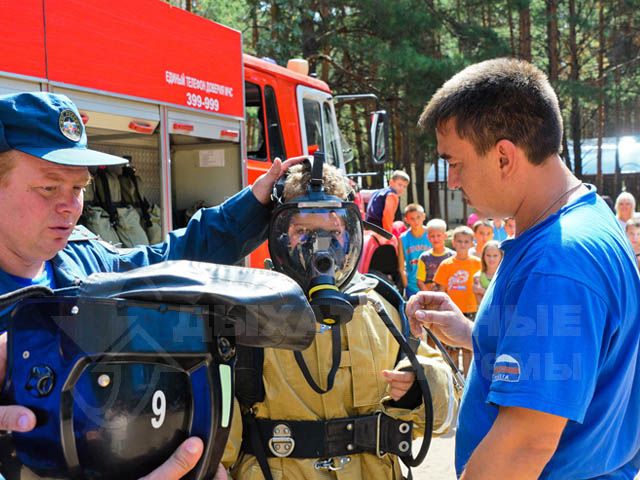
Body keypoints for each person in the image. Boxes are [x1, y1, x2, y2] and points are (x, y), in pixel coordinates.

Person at [0, 92, 300, 479]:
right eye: (49, 187)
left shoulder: (87, 262)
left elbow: (169, 264)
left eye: (77, 189)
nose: (70, 206)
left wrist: (255, 203)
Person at [408, 58, 640, 479]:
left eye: (455, 162)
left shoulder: (558, 261)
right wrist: (474, 333)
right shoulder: (582, 220)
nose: (453, 181)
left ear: (503, 157)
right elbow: (576, 362)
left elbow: (523, 446)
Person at [223, 161, 459, 479]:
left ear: (350, 235)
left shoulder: (381, 306)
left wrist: (419, 388)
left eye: (333, 232)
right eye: (303, 232)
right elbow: (220, 433)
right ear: (280, 234)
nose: (320, 245)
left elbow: (442, 419)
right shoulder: (248, 313)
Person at [432, 226, 481, 376]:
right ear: (453, 243)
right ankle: (453, 378)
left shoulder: (478, 263)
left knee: (468, 348)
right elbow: (440, 290)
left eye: (466, 241)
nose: (462, 245)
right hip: (452, 309)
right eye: (459, 241)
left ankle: (466, 378)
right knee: (451, 347)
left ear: (472, 243)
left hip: (471, 309)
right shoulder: (446, 264)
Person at [398, 203, 431, 298]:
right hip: (412, 286)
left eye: (418, 217)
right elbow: (401, 267)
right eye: (412, 218)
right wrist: (406, 285)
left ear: (424, 217)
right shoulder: (403, 238)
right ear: (406, 220)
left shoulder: (431, 234)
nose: (416, 221)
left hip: (430, 284)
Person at [416, 218, 454, 292]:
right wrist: (429, 296)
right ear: (428, 237)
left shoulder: (452, 256)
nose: (435, 239)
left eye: (439, 235)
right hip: (430, 298)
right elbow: (420, 282)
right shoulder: (424, 257)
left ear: (445, 236)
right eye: (432, 236)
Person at [472, 240, 503, 305]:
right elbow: (480, 305)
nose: (491, 259)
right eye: (488, 255)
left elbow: (502, 299)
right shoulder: (478, 277)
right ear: (483, 256)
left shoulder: (504, 276)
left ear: (501, 256)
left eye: (495, 255)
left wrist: (482, 291)